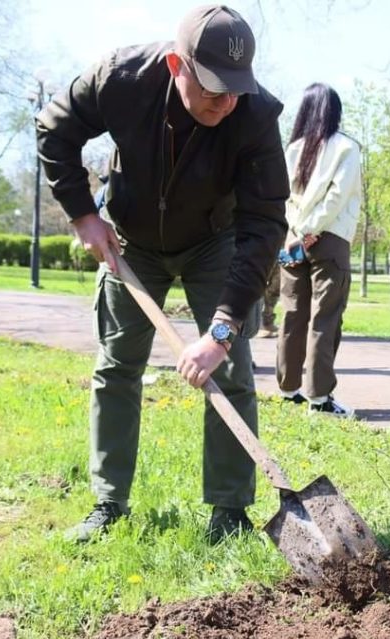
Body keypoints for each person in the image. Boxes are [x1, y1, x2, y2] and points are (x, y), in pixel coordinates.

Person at [35, 5, 289, 543]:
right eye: (213, 88)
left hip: (214, 243)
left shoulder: (256, 115)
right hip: (131, 241)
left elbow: (265, 223)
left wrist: (220, 332)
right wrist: (83, 212)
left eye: (235, 90)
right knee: (117, 366)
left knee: (232, 370)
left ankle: (229, 510)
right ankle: (109, 502)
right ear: (178, 64)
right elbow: (54, 130)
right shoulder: (120, 79)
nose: (226, 103)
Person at [275, 83, 362, 417]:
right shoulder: (345, 147)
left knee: (292, 314)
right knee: (324, 317)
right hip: (328, 239)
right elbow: (337, 197)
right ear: (334, 112)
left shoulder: (292, 148)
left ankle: (288, 388)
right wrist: (312, 232)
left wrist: (296, 232)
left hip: (292, 239)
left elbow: (282, 195)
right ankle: (319, 398)